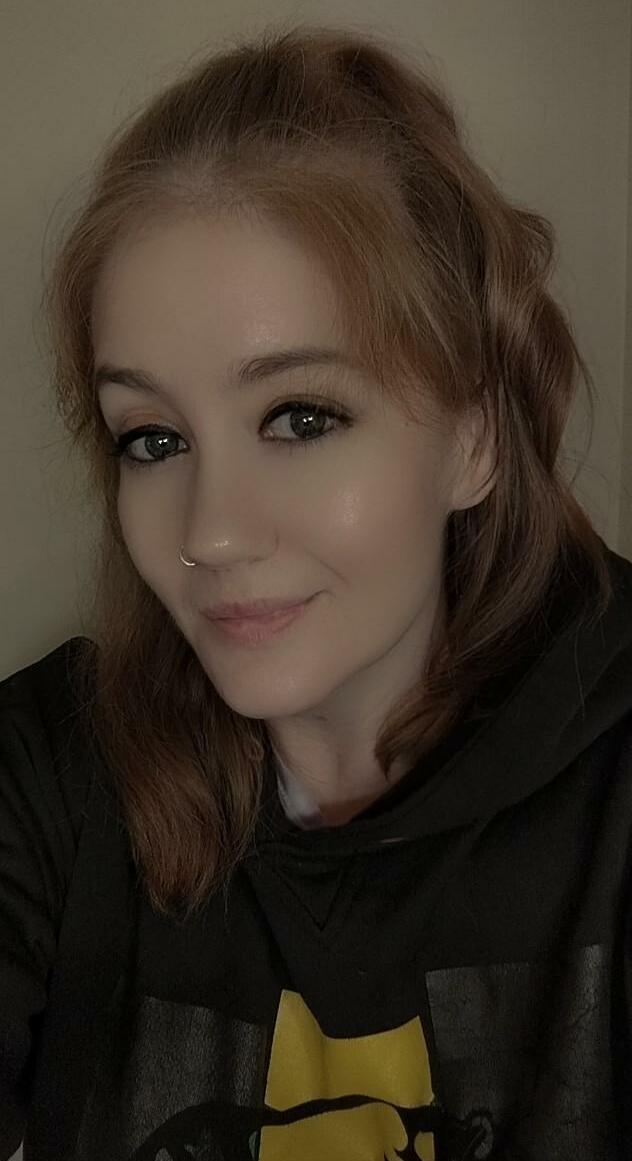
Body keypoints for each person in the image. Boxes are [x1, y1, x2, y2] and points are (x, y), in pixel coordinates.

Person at [1, 20, 631, 1161]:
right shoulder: (50, 775)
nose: (211, 533)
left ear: (476, 438)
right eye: (152, 438)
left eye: (300, 417)